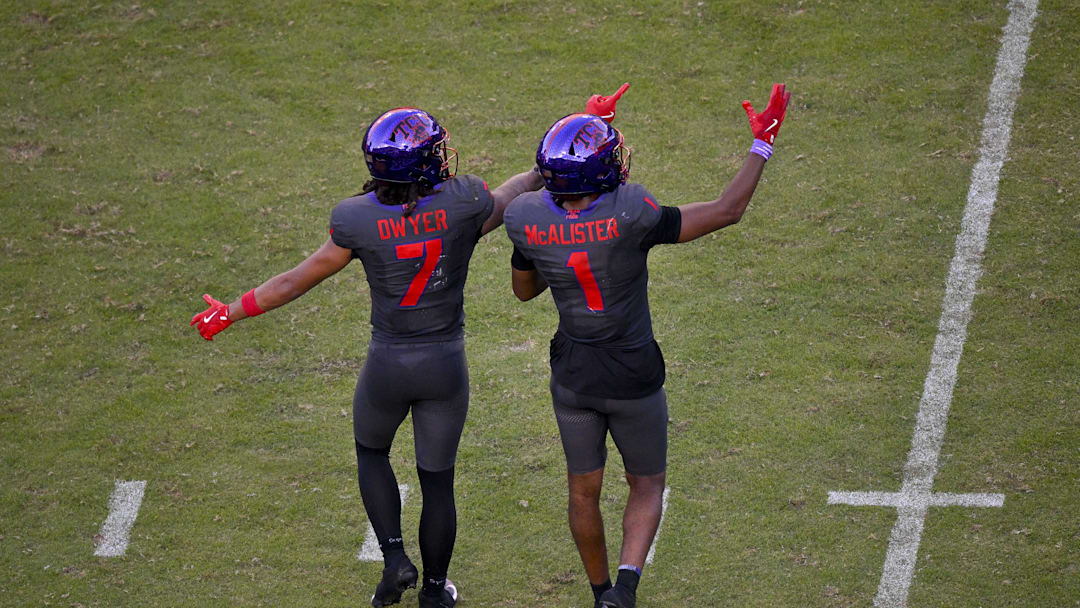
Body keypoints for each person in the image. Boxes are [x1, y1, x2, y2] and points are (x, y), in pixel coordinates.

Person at [190, 107, 544, 608]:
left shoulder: (356, 218)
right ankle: (436, 592)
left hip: (388, 364)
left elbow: (295, 280)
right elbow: (512, 194)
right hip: (444, 364)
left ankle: (395, 559)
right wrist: (548, 160)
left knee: (372, 452)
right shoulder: (465, 203)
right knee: (437, 480)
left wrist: (230, 311)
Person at [503, 83, 791, 608]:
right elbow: (728, 210)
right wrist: (762, 144)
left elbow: (524, 291)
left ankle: (598, 594)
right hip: (633, 372)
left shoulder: (524, 217)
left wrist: (550, 245)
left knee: (582, 489)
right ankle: (626, 589)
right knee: (646, 482)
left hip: (574, 375)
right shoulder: (632, 212)